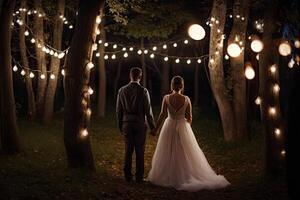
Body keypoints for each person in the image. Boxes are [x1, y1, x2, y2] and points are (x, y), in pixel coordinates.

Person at [147, 76, 230, 191]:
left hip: (169, 126)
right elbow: (189, 118)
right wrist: (185, 127)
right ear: (182, 86)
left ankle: (169, 175)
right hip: (182, 126)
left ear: (172, 85)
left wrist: (155, 129)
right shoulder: (186, 99)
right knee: (183, 151)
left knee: (168, 150)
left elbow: (162, 115)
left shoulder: (166, 98)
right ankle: (183, 174)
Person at [116, 67, 156, 183]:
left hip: (127, 123)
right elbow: (148, 111)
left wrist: (120, 125)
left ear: (130, 76)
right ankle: (139, 176)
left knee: (128, 149)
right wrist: (153, 127)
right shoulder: (143, 91)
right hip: (139, 123)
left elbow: (119, 110)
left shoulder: (122, 90)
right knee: (140, 150)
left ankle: (127, 175)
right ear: (140, 76)